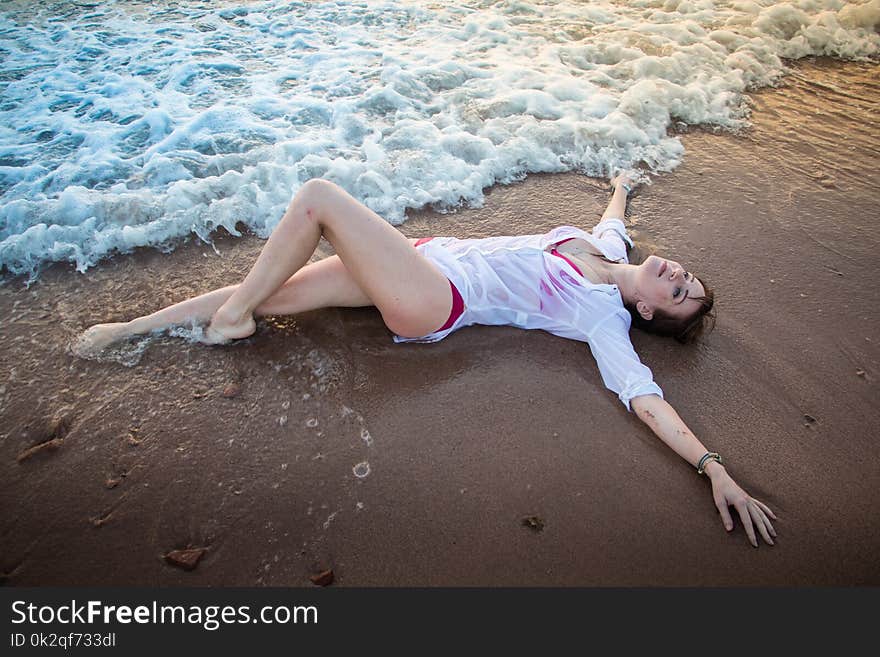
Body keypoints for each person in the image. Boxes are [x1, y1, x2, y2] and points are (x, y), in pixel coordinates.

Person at [75, 172, 777, 548]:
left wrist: (714, 469)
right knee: (272, 292)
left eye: (679, 291)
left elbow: (643, 395)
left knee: (318, 197)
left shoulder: (602, 317)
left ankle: (228, 320)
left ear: (651, 312)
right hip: (423, 259)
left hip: (435, 300)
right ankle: (135, 327)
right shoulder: (611, 248)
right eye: (687, 275)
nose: (678, 273)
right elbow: (614, 211)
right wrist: (625, 180)